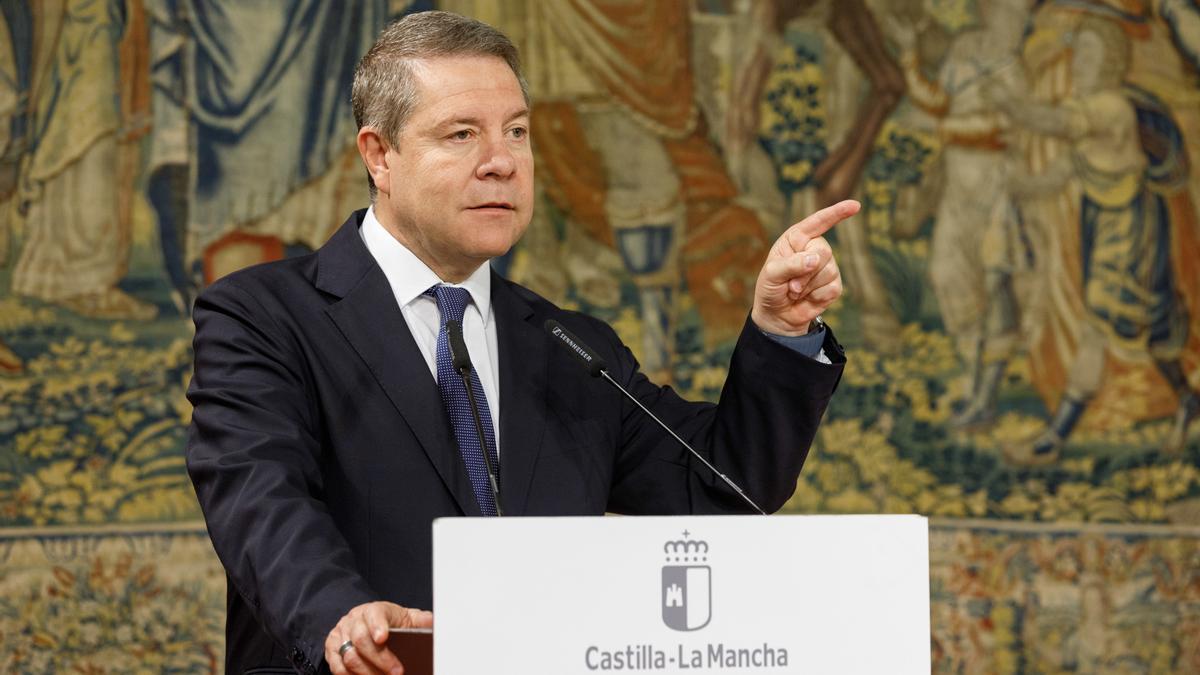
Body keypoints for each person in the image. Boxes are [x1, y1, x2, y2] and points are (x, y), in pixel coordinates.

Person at [186, 11, 853, 675]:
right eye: (462, 134)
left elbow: (724, 488)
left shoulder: (570, 345)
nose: (502, 162)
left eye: (517, 132)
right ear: (379, 155)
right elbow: (260, 498)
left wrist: (783, 333)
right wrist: (342, 617)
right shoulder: (261, 315)